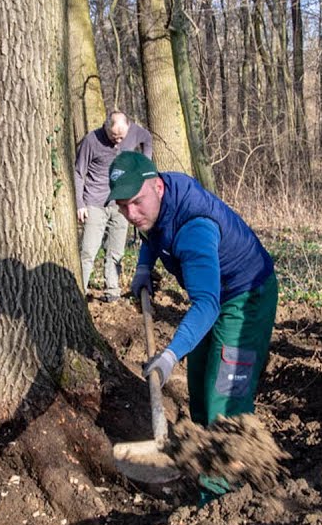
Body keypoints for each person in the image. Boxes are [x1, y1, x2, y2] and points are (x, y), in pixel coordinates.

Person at [108, 151, 278, 501]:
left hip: (246, 301)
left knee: (225, 402)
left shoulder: (194, 228)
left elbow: (206, 304)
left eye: (137, 203)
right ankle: (204, 472)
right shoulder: (157, 198)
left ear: (157, 186)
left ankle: (221, 502)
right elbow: (150, 231)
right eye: (123, 207)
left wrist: (170, 356)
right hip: (217, 295)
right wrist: (144, 267)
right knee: (200, 391)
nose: (131, 214)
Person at [74, 111, 153, 302]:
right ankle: (80, 293)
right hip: (94, 202)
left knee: (116, 250)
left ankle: (112, 291)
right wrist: (80, 204)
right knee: (88, 251)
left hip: (121, 202)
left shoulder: (134, 132)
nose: (117, 141)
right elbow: (78, 172)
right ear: (106, 127)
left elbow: (147, 138)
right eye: (113, 136)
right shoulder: (91, 141)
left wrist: (144, 164)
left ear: (128, 127)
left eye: (121, 137)